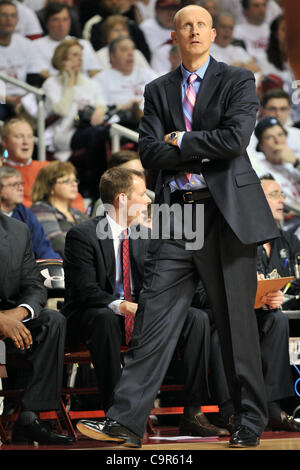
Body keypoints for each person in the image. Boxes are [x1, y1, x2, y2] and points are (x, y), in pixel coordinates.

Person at [76, 5, 279, 449]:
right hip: (176, 212)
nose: (193, 30)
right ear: (173, 35)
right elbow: (150, 153)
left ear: (211, 34)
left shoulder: (238, 79)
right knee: (153, 317)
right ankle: (125, 420)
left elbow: (235, 139)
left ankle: (249, 420)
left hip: (223, 213)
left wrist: (182, 140)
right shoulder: (158, 89)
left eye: (201, 24)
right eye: (185, 24)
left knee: (234, 324)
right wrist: (192, 147)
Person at [64, 166, 228, 436]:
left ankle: (193, 410)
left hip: (139, 314)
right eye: (142, 194)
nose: (149, 200)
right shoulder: (83, 234)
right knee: (104, 318)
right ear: (122, 199)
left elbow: (156, 284)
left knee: (195, 318)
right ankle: (116, 415)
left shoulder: (146, 236)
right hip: (94, 316)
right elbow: (84, 291)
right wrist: (121, 305)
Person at [207, 175, 300, 433]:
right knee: (222, 333)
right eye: (273, 195)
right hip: (227, 314)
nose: (282, 200)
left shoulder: (289, 240)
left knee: (278, 319)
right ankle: (229, 410)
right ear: (255, 199)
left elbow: (295, 281)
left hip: (263, 313)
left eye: (281, 194)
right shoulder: (235, 234)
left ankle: (270, 404)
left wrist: (277, 296)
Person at [0, 211, 74, 445]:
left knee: (53, 321)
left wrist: (19, 313)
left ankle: (30, 418)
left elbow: (33, 284)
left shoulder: (17, 230)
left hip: (13, 321)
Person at [40, 38, 107, 185]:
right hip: (63, 134)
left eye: (81, 55)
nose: (80, 59)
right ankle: (94, 184)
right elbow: (61, 110)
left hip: (89, 129)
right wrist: (69, 82)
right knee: (98, 134)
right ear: (62, 59)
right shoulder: (51, 84)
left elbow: (102, 102)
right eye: (75, 55)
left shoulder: (91, 83)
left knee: (103, 132)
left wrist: (100, 111)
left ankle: (94, 183)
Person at [1, 117, 86, 212]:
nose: (26, 142)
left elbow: (75, 198)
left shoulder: (49, 168)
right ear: (4, 141)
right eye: (19, 136)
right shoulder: (2, 172)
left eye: (29, 137)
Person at [93, 36, 157, 126]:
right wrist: (124, 107)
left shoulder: (146, 73)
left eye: (132, 49)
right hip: (123, 124)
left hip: (153, 119)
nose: (130, 53)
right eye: (124, 50)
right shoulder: (101, 79)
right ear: (112, 56)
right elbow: (101, 108)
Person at [0, 165, 61, 260]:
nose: (20, 188)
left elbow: (43, 248)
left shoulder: (25, 214)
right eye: (14, 185)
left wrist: (57, 266)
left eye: (21, 184)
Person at [30, 161, 89, 258]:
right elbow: (57, 242)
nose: (74, 184)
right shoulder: (40, 209)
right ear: (50, 187)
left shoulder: (78, 213)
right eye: (66, 181)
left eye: (74, 180)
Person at [32, 2, 100, 80]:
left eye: (65, 19)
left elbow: (95, 72)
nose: (61, 24)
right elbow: (42, 73)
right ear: (47, 23)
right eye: (56, 20)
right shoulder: (34, 45)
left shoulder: (84, 44)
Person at [0, 0, 44, 120]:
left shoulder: (25, 44)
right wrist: (10, 100)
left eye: (13, 15)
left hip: (24, 97)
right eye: (4, 15)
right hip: (2, 99)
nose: (9, 19)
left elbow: (34, 78)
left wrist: (24, 98)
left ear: (17, 20)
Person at [250, 116, 300, 210]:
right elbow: (276, 209)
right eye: (270, 137)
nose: (278, 141)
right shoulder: (259, 169)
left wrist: (296, 162)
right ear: (261, 146)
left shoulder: (293, 162)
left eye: (281, 135)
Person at [249, 88, 300, 157]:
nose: (278, 114)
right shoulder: (251, 138)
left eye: (283, 109)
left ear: (289, 110)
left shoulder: (297, 134)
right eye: (272, 109)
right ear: (263, 110)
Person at [209, 11, 261, 76]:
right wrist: (244, 66)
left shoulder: (238, 50)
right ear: (214, 29)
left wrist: (238, 66)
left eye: (231, 28)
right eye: (223, 27)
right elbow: (221, 74)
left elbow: (257, 68)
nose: (227, 31)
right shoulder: (207, 51)